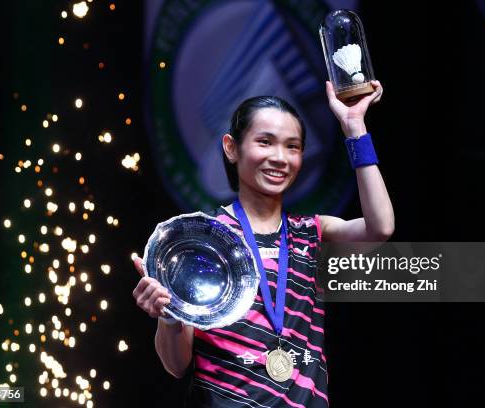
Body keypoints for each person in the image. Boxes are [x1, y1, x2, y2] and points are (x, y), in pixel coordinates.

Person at [132, 80, 394, 407]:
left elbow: (380, 226)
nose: (279, 157)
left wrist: (354, 128)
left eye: (293, 146)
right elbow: (177, 365)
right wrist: (168, 315)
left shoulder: (312, 232)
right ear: (231, 147)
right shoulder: (201, 239)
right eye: (265, 142)